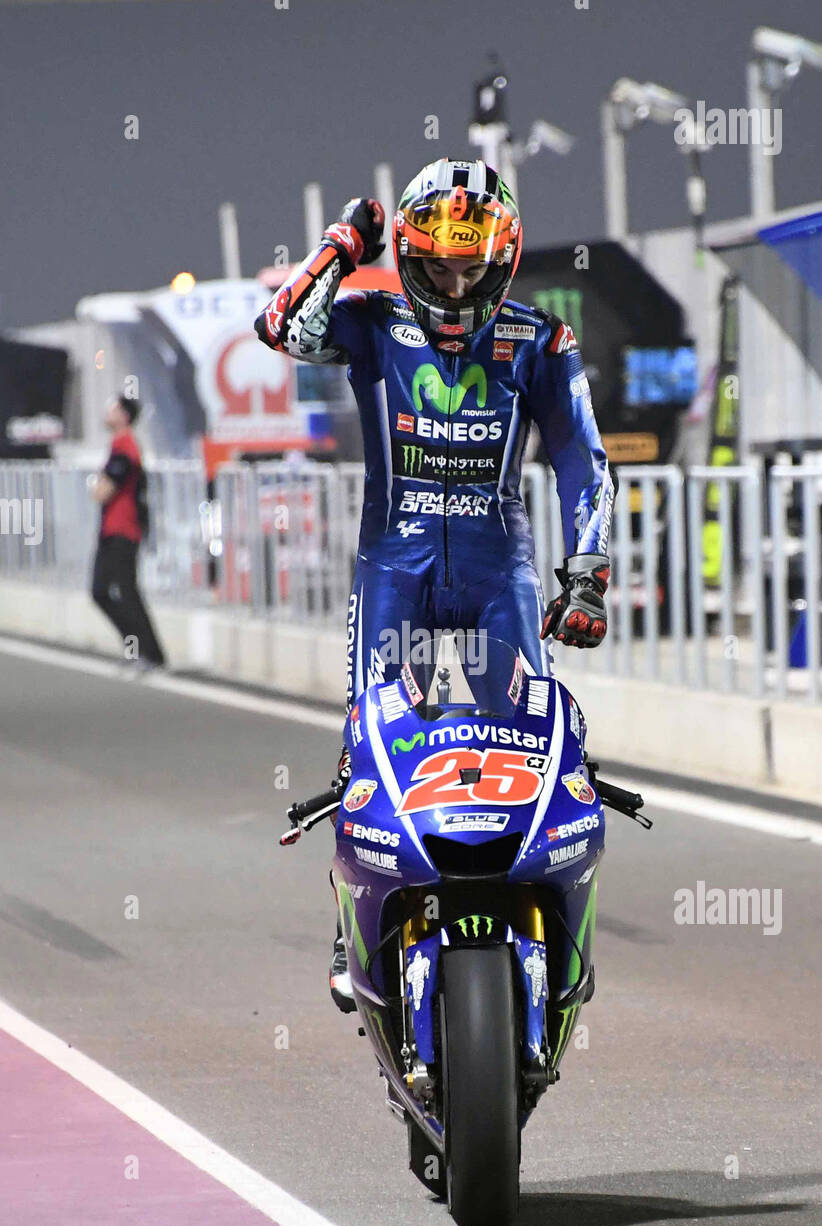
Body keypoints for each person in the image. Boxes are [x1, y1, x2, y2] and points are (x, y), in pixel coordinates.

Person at [255, 158, 616, 1010]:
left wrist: (587, 577)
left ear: (504, 263)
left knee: (530, 741)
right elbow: (280, 328)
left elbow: (582, 459)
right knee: (368, 749)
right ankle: (353, 923)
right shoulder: (371, 320)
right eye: (436, 269)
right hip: (395, 568)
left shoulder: (542, 340)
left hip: (499, 574)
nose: (454, 289)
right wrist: (341, 247)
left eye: (472, 271)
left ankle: (540, 917)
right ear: (407, 260)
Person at [90, 394, 166, 671]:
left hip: (124, 529)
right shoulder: (117, 446)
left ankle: (151, 653)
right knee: (101, 590)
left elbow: (102, 491)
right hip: (110, 529)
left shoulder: (126, 447)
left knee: (126, 591)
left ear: (124, 415)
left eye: (113, 409)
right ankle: (137, 648)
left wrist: (98, 486)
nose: (107, 414)